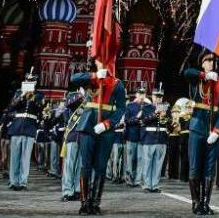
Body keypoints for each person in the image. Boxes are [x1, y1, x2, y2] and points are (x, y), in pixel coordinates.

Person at [70, 60, 127, 215]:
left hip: (105, 129)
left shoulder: (117, 84)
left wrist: (108, 124)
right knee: (86, 165)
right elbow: (73, 79)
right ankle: (84, 202)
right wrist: (94, 75)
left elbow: (121, 108)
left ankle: (95, 202)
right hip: (87, 125)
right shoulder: (90, 78)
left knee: (100, 167)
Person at [182, 50, 219, 215]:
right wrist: (204, 75)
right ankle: (195, 202)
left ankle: (205, 203)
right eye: (207, 61)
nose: (210, 63)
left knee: (209, 169)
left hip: (213, 130)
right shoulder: (197, 79)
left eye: (212, 61)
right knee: (195, 167)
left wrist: (217, 130)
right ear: (202, 64)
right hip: (197, 128)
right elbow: (187, 73)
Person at [7, 71, 43, 191]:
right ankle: (13, 181)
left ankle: (23, 182)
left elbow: (40, 109)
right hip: (17, 127)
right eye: (28, 81)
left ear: (35, 82)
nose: (30, 83)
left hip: (30, 128)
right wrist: (22, 95)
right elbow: (11, 107)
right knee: (14, 157)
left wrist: (34, 99)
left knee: (25, 158)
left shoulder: (39, 95)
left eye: (32, 81)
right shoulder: (18, 92)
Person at [138, 84, 168, 193]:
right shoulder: (146, 108)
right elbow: (143, 121)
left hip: (161, 139)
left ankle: (154, 185)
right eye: (156, 96)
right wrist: (155, 114)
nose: (158, 99)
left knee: (158, 164)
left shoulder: (166, 108)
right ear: (152, 97)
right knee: (147, 163)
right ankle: (147, 185)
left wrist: (166, 117)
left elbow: (169, 124)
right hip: (149, 139)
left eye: (160, 97)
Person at [123, 87, 146, 187]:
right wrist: (137, 118)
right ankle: (129, 179)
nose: (142, 96)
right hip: (131, 136)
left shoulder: (147, 106)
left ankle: (137, 181)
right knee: (130, 160)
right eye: (140, 93)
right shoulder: (130, 106)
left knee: (140, 160)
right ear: (136, 95)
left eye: (143, 94)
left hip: (142, 137)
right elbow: (127, 121)